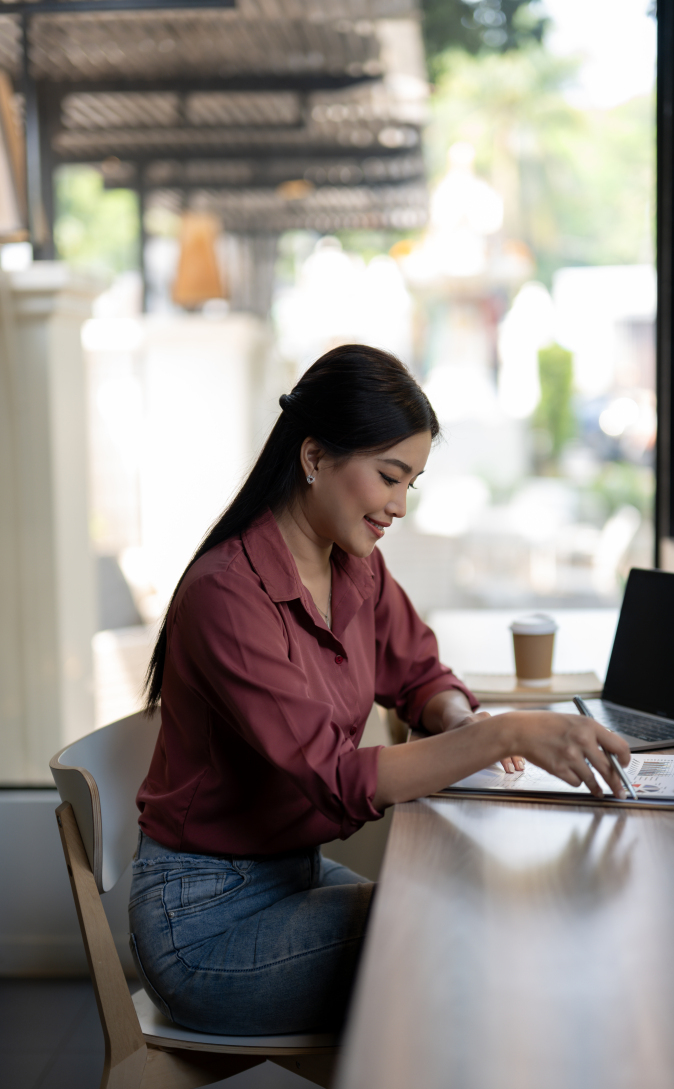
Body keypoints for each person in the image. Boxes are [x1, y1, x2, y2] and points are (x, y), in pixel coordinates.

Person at [129, 343, 629, 1037]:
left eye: (409, 485)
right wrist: (499, 732)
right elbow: (335, 779)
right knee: (455, 933)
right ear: (313, 457)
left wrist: (455, 718)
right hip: (203, 926)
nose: (398, 506)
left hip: (288, 879)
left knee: (459, 913)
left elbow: (419, 674)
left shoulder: (354, 566)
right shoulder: (227, 596)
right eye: (388, 477)